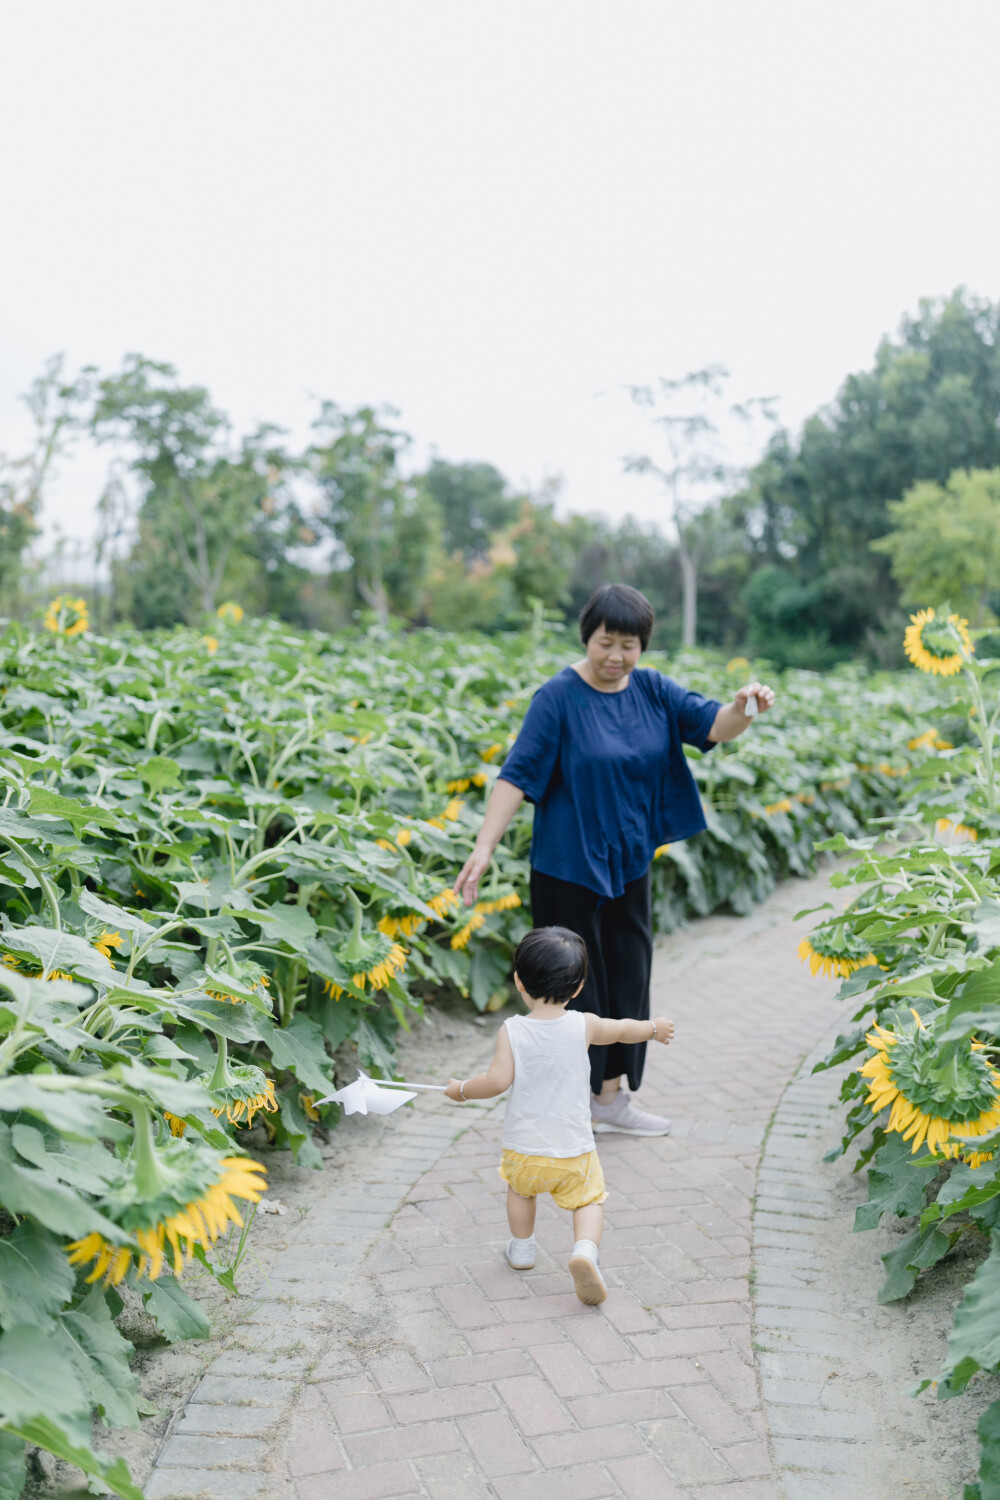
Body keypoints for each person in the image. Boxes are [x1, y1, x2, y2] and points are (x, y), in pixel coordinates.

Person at [454, 582, 774, 1137]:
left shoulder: (652, 691)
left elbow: (713, 725)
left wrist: (745, 707)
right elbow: (516, 774)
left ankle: (609, 1100)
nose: (616, 657)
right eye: (606, 642)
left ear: (643, 647)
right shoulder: (558, 698)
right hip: (567, 868)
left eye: (629, 645)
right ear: (588, 637)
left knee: (628, 977)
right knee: (571, 991)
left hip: (629, 864)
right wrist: (484, 847)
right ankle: (563, 1105)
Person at [445, 926, 675, 1304]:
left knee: (520, 1191)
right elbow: (621, 1031)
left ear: (519, 981)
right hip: (573, 1149)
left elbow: (497, 1081)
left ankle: (522, 1249)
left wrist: (462, 1090)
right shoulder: (583, 1025)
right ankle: (585, 1250)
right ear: (579, 987)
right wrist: (653, 1029)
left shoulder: (512, 1030)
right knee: (589, 1201)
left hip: (524, 1149)